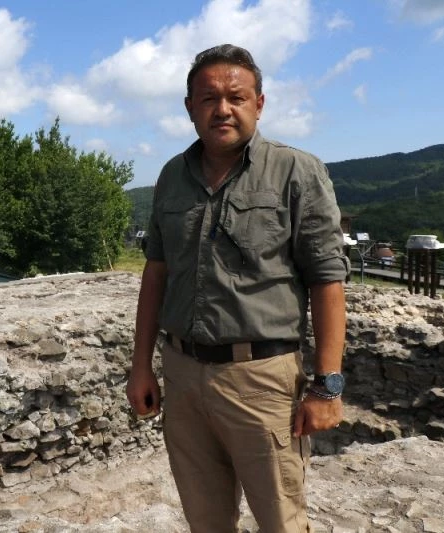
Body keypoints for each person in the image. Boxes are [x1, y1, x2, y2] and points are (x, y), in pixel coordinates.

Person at [126, 44, 350, 532]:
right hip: (183, 376)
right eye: (209, 98)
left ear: (259, 104)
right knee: (205, 521)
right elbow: (156, 273)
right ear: (190, 107)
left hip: (262, 380)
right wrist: (141, 365)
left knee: (281, 521)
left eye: (236, 97)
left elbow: (327, 280)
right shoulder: (172, 176)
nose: (222, 109)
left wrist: (327, 385)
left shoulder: (295, 171)